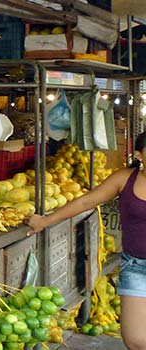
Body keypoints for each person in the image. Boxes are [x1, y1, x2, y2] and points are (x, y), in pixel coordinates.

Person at [28, 132, 146, 350]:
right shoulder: (125, 179)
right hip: (136, 267)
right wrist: (45, 221)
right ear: (139, 155)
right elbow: (86, 202)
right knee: (136, 340)